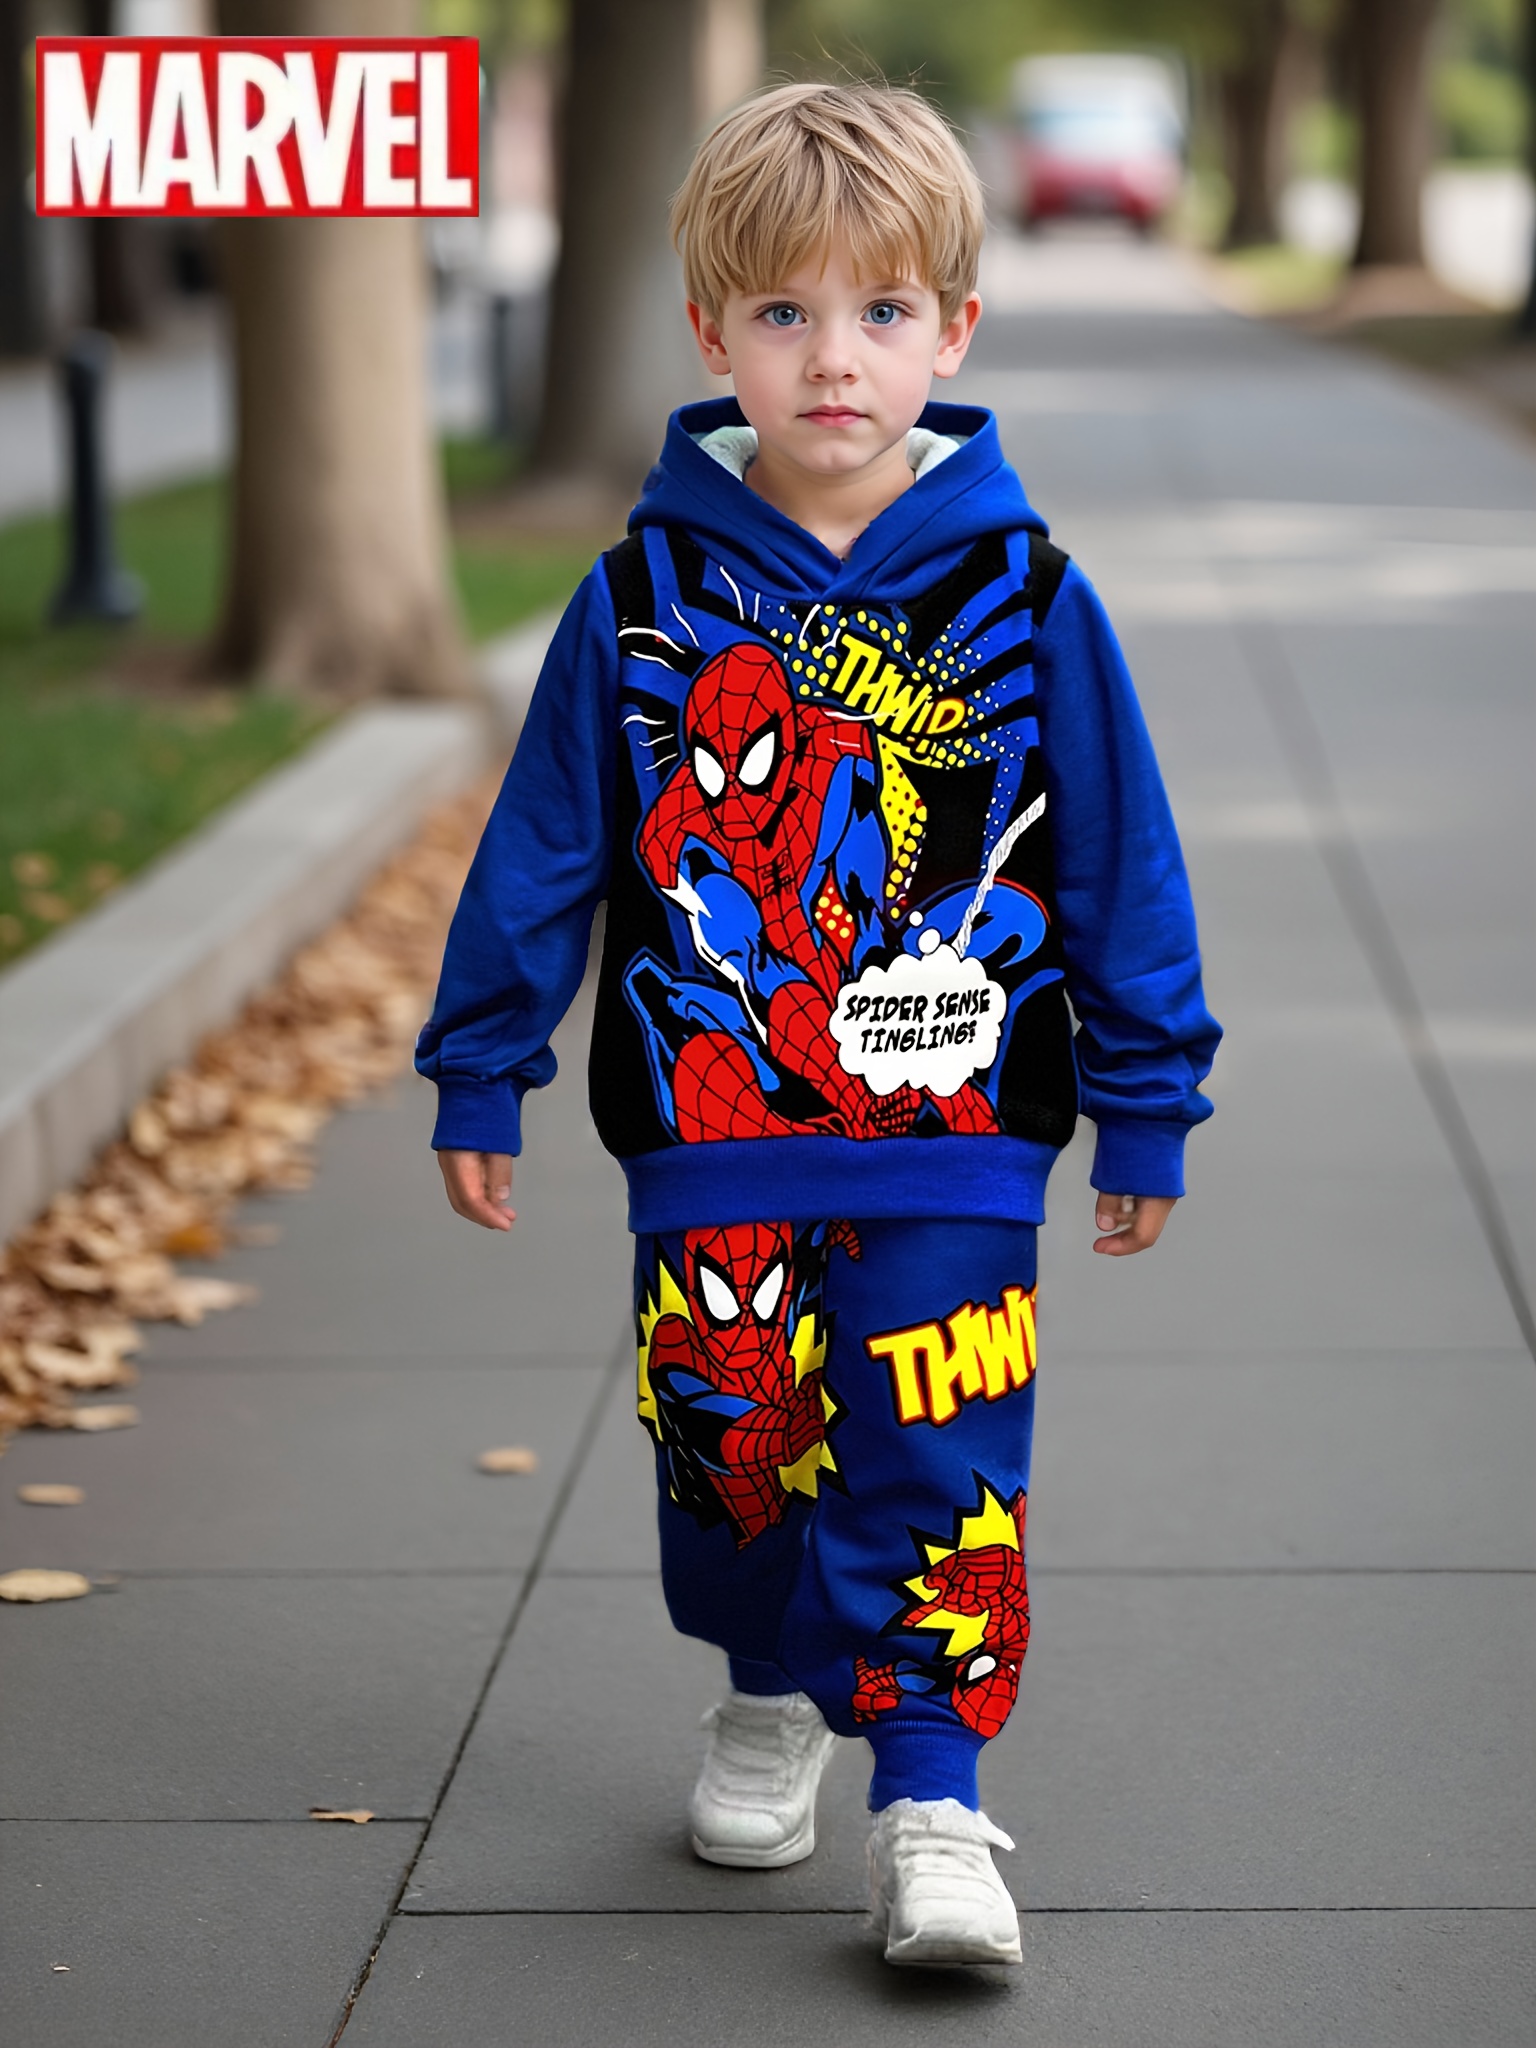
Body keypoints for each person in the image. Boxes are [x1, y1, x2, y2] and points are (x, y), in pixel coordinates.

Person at [416, 81, 1220, 1970]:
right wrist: (483, 1061)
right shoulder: (642, 595)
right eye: (784, 313)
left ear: (955, 331)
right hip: (715, 1137)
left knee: (945, 1467)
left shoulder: (1028, 592)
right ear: (715, 337)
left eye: (881, 312)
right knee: (736, 1465)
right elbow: (547, 845)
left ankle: (931, 1798)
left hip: (961, 1137)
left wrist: (1149, 1095)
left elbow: (1118, 853)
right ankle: (767, 1684)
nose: (834, 357)